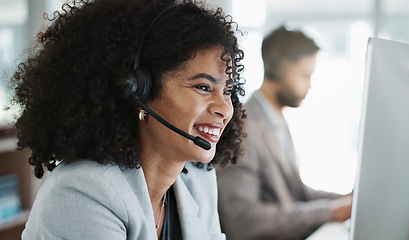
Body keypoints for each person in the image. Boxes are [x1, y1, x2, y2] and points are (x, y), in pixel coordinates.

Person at [11, 0, 245, 239]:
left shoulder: (198, 179)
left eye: (227, 91)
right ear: (139, 90)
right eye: (203, 87)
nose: (225, 109)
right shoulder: (84, 190)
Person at [215, 26, 352, 240]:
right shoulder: (242, 126)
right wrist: (332, 212)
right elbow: (244, 220)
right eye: (305, 75)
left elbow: (296, 192)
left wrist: (343, 200)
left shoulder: (275, 119)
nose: (310, 85)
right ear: (277, 68)